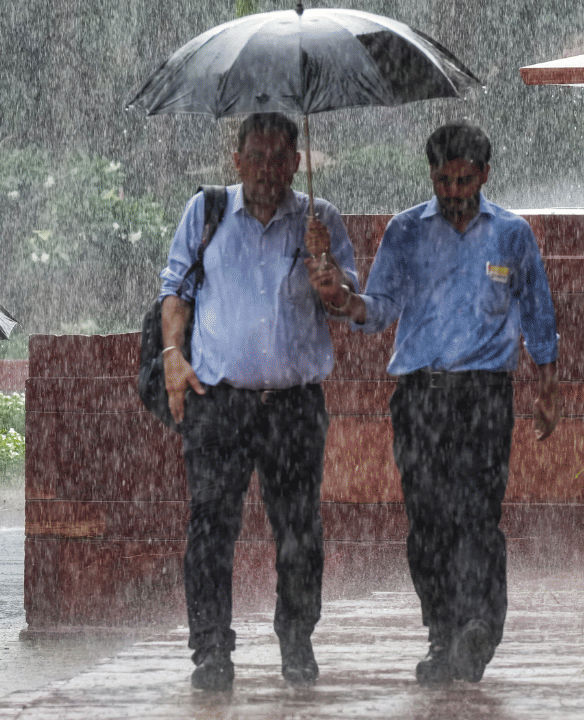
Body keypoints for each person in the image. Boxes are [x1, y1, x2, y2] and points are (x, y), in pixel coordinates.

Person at [324, 121, 559, 684]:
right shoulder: (404, 232)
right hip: (420, 397)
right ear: (430, 175)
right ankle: (442, 632)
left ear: (484, 175)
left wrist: (547, 387)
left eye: (464, 180)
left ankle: (480, 626)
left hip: (485, 396)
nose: (453, 192)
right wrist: (341, 298)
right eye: (443, 181)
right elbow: (377, 308)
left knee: (478, 518)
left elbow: (538, 312)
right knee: (427, 523)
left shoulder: (512, 233)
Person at [159, 112, 359, 691]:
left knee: (299, 531)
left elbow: (348, 303)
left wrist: (329, 278)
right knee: (211, 529)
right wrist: (174, 355)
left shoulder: (320, 219)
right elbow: (175, 288)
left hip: (294, 406)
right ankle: (211, 652)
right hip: (219, 402)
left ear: (298, 162)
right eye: (257, 156)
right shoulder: (207, 211)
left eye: (280, 157)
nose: (269, 168)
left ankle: (297, 644)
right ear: (237, 159)